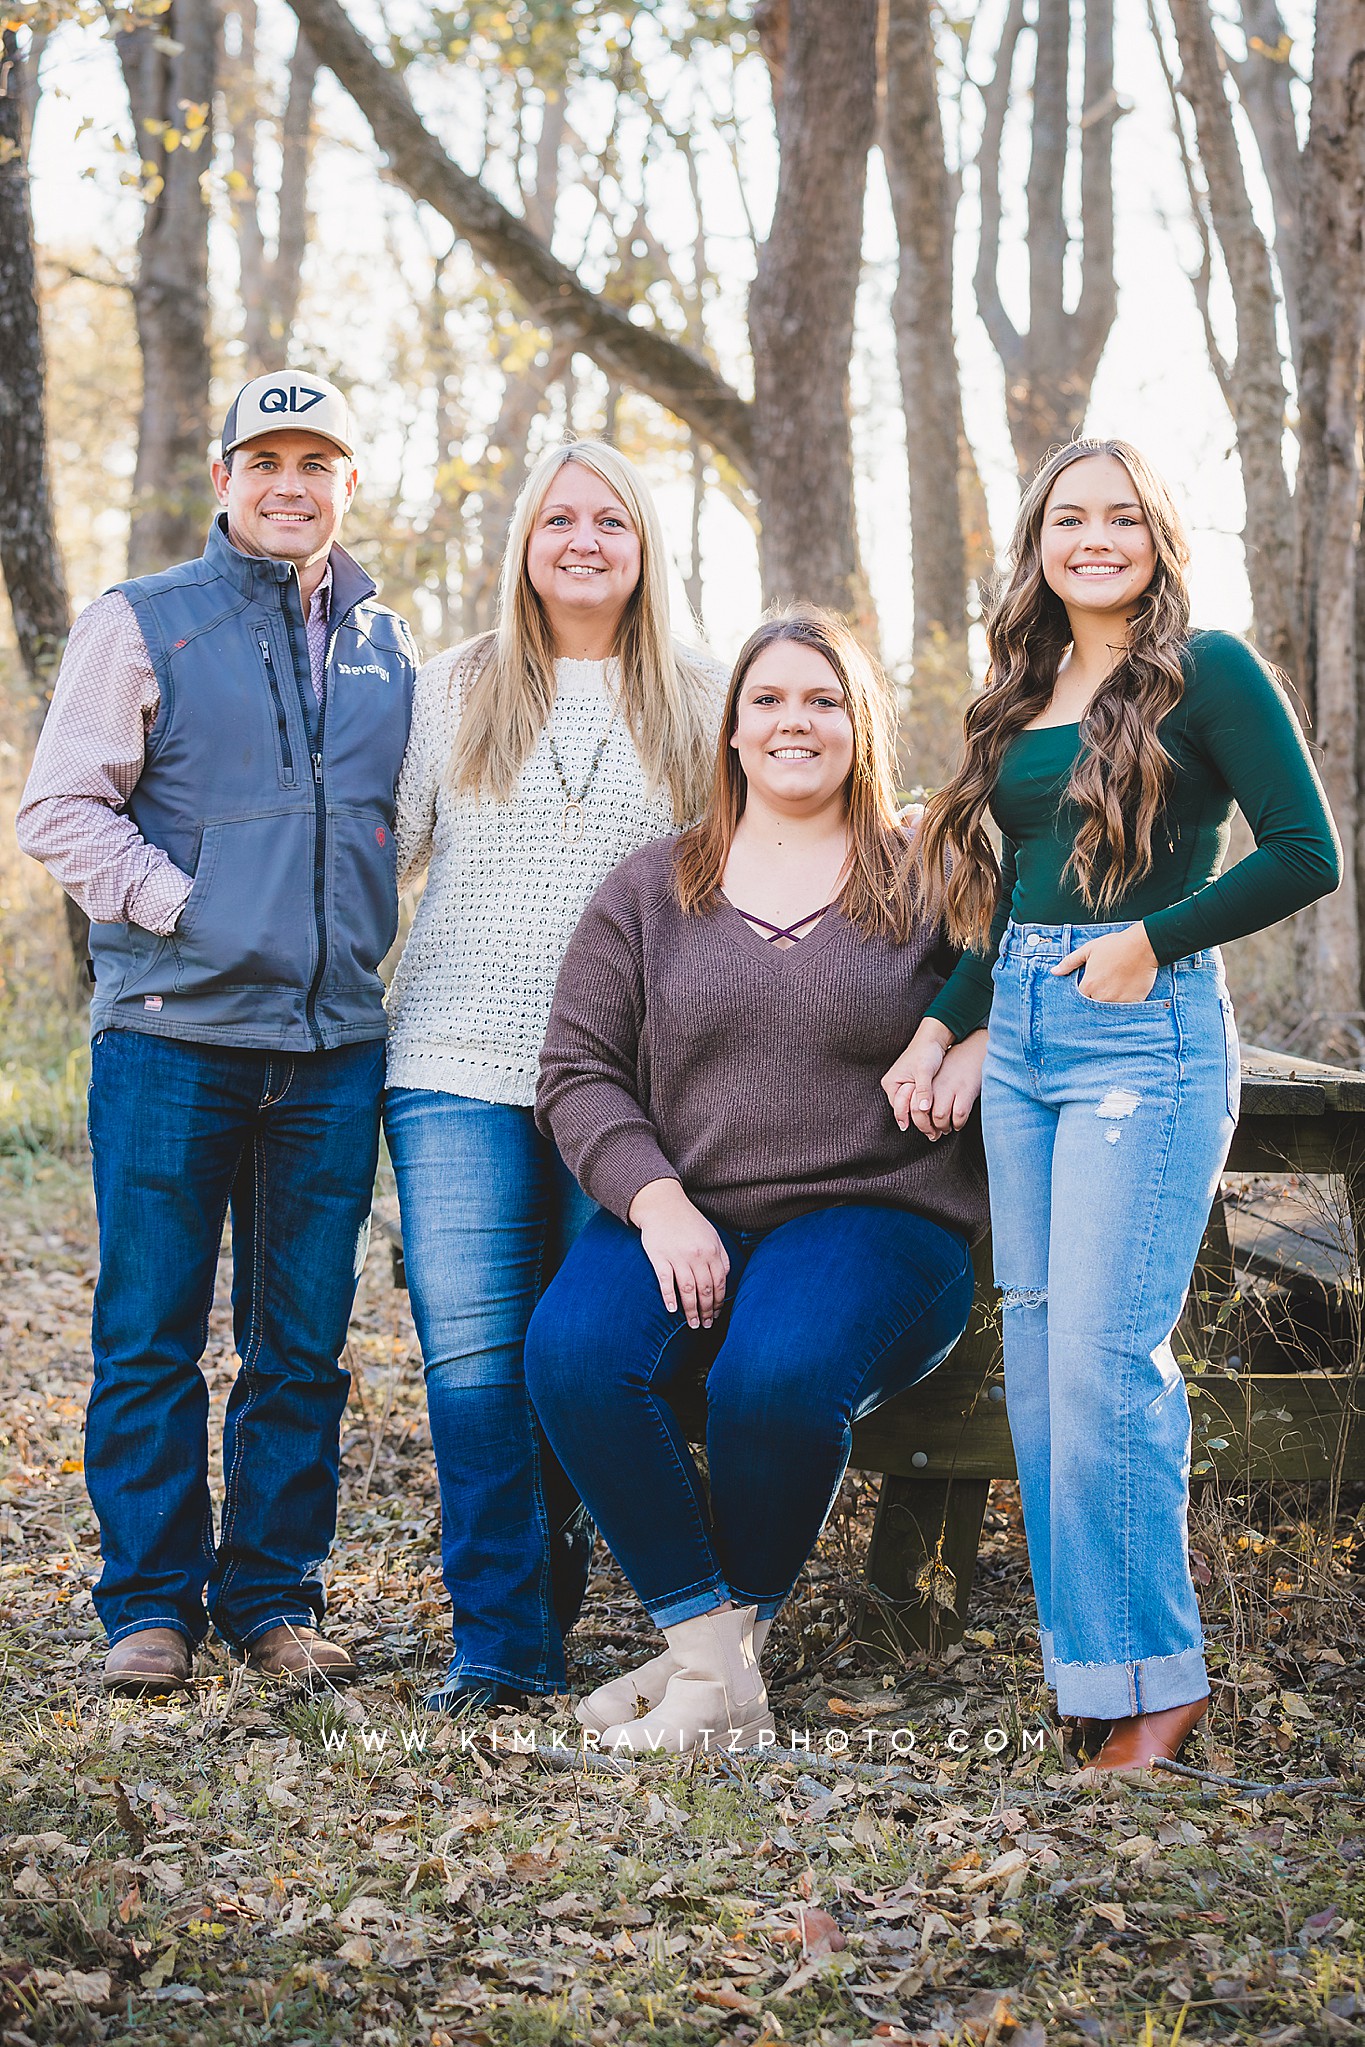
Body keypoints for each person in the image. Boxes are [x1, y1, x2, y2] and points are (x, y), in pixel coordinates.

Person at [884, 439, 1340, 1773]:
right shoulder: (1022, 687)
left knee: (1102, 1368)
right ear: (1035, 541)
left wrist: (1157, 934)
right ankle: (1096, 1676)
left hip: (1144, 1039)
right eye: (1069, 517)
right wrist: (943, 1022)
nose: (1095, 536)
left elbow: (1305, 852)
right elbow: (1019, 897)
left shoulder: (1211, 672)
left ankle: (1160, 1680)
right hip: (1022, 1031)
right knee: (1040, 1373)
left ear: (1157, 534)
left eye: (1121, 515)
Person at [522, 608, 990, 1754]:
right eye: (769, 699)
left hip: (882, 1215)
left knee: (774, 1375)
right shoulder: (651, 887)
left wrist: (977, 1043)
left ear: (862, 724)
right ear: (731, 730)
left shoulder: (931, 868)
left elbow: (1035, 970)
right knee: (573, 1354)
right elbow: (575, 1073)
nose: (796, 721)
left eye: (824, 700)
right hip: (692, 1205)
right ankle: (711, 1660)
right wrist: (659, 1201)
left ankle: (705, 1676)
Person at [17, 372, 417, 1694]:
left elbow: (396, 827)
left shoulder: (386, 648)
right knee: (149, 1331)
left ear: (349, 484)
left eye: (319, 460)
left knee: (301, 1345)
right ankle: (147, 1608)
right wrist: (190, 906)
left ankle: (273, 1601)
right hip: (172, 1034)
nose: (291, 482)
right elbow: (63, 808)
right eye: (267, 459)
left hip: (334, 1047)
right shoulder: (146, 622)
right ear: (224, 479)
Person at [384, 439, 722, 1711]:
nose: (583, 541)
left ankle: (576, 1573)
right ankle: (501, 1646)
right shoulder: (451, 686)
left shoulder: (703, 694)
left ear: (645, 548)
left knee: (576, 1354)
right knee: (470, 1358)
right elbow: (384, 855)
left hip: (626, 1092)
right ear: (525, 539)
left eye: (611, 522)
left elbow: (750, 880)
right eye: (560, 520)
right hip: (451, 1066)